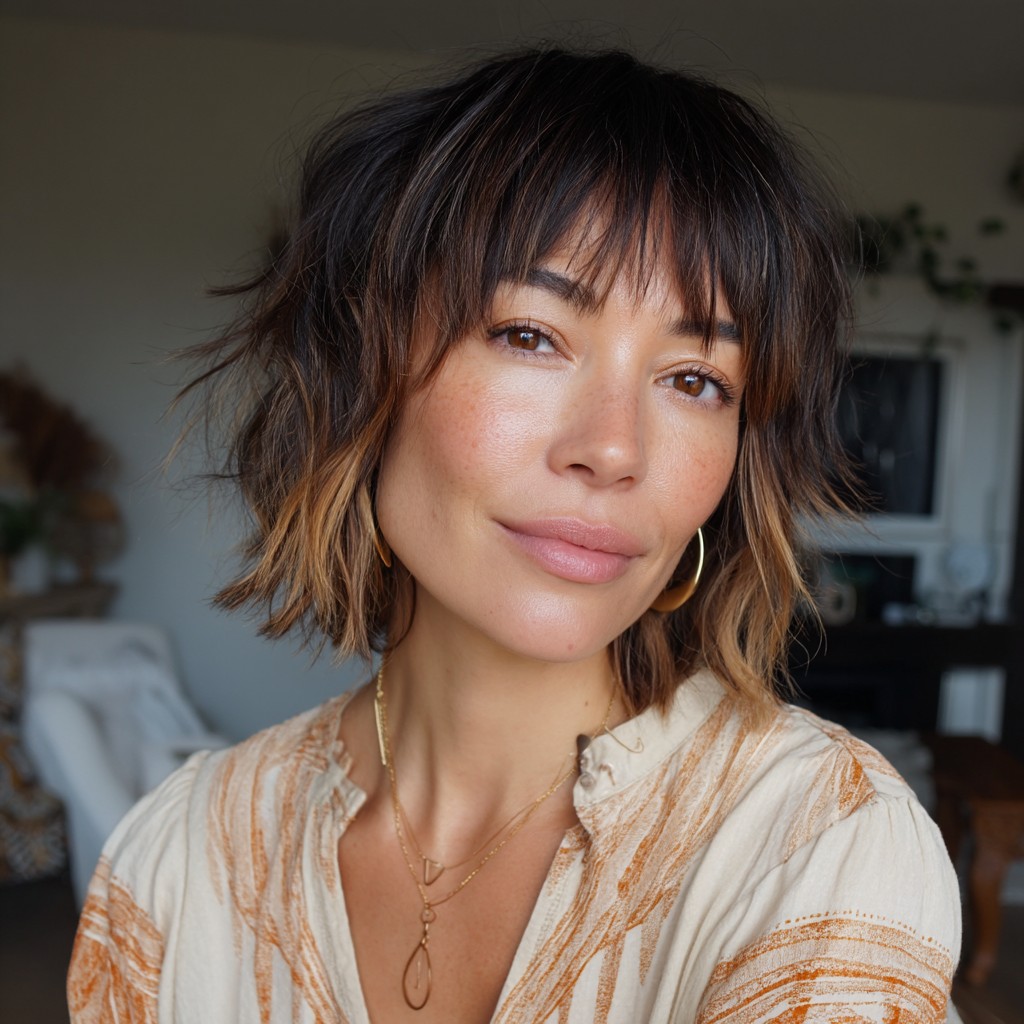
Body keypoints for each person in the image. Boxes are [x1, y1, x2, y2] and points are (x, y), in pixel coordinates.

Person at [67, 48, 961, 1023]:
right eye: (530, 335)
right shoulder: (175, 863)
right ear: (362, 375)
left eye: (694, 379)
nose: (613, 449)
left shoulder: (816, 846)